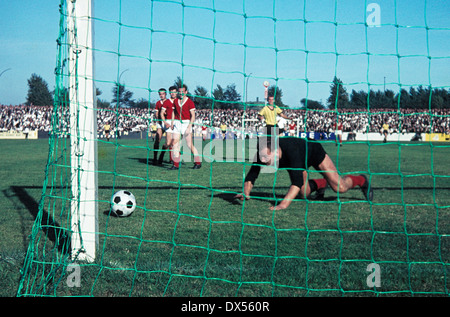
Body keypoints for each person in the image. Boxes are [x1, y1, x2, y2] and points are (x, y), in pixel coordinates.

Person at [235, 136, 373, 210]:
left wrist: (283, 204)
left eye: (268, 160)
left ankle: (361, 180)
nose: (265, 163)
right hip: (298, 161)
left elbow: (297, 181)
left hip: (313, 151)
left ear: (277, 151)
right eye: (263, 159)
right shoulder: (263, 153)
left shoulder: (291, 151)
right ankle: (322, 183)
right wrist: (246, 193)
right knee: (303, 194)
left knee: (340, 187)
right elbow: (252, 175)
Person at [170, 84, 202, 170]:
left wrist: (189, 126)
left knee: (189, 144)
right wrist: (172, 122)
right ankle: (176, 164)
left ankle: (198, 162)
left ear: (186, 92)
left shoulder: (190, 102)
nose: (181, 93)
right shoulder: (175, 101)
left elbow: (193, 116)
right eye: (179, 92)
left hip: (186, 123)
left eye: (182, 92)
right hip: (177, 123)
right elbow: (174, 112)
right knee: (174, 144)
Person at [157, 86, 177, 165]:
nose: (173, 93)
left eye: (174, 92)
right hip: (168, 122)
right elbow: (161, 113)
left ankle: (174, 160)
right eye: (171, 92)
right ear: (169, 93)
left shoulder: (179, 101)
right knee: (168, 143)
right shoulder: (167, 102)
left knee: (175, 143)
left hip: (177, 123)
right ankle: (161, 156)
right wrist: (165, 122)